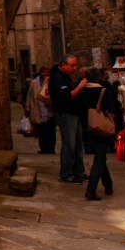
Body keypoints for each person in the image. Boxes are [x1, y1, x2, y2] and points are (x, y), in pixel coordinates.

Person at [74, 67, 123, 199]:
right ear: (99, 77)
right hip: (101, 128)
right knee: (99, 159)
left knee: (100, 157)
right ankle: (91, 190)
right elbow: (112, 112)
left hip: (87, 128)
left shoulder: (82, 92)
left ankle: (108, 185)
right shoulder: (104, 91)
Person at [50, 54, 88, 182]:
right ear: (63, 65)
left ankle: (78, 171)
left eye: (75, 65)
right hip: (65, 114)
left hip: (73, 113)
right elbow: (68, 96)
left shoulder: (65, 77)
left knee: (78, 144)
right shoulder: (57, 78)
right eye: (72, 65)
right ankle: (66, 173)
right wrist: (80, 86)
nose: (74, 68)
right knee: (69, 144)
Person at [25, 65, 55, 154]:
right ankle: (43, 148)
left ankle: (51, 148)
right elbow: (29, 96)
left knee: (50, 131)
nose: (46, 73)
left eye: (48, 72)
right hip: (38, 109)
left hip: (50, 110)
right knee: (41, 131)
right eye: (44, 72)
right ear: (40, 73)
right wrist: (27, 108)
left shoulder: (52, 82)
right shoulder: (34, 83)